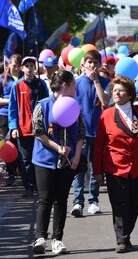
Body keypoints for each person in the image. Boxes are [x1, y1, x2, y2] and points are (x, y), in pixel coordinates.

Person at [94, 76, 138, 253]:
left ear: (130, 93)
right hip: (116, 168)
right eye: (114, 90)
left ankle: (126, 233)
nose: (116, 93)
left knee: (135, 205)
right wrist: (97, 171)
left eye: (121, 90)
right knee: (120, 205)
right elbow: (98, 146)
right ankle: (122, 240)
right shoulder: (107, 115)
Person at [31, 70, 85, 255]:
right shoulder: (43, 105)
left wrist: (77, 155)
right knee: (45, 199)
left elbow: (80, 133)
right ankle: (40, 238)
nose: (75, 90)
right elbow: (38, 131)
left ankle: (57, 239)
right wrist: (57, 148)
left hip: (67, 162)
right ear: (65, 85)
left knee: (61, 200)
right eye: (74, 86)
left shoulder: (75, 106)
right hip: (44, 160)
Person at [71, 50, 110, 217]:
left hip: (99, 131)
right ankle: (77, 202)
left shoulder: (105, 81)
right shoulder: (75, 82)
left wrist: (96, 82)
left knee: (95, 169)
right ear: (83, 65)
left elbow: (105, 101)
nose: (93, 66)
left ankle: (93, 201)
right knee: (79, 167)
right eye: (89, 63)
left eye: (95, 62)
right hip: (80, 132)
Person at [8, 56, 49, 197]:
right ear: (22, 68)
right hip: (23, 129)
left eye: (32, 65)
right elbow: (12, 108)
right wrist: (13, 127)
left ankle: (40, 187)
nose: (29, 68)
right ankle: (29, 187)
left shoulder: (41, 84)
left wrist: (49, 124)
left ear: (35, 68)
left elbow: (47, 105)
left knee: (39, 159)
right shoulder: (17, 85)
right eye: (27, 65)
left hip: (40, 130)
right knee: (25, 160)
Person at [0, 54, 21, 186]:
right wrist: (11, 101)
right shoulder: (2, 79)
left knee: (19, 145)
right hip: (4, 115)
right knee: (6, 144)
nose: (16, 68)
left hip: (21, 116)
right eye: (14, 65)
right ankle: (11, 173)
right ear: (8, 65)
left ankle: (20, 171)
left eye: (18, 65)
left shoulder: (23, 79)